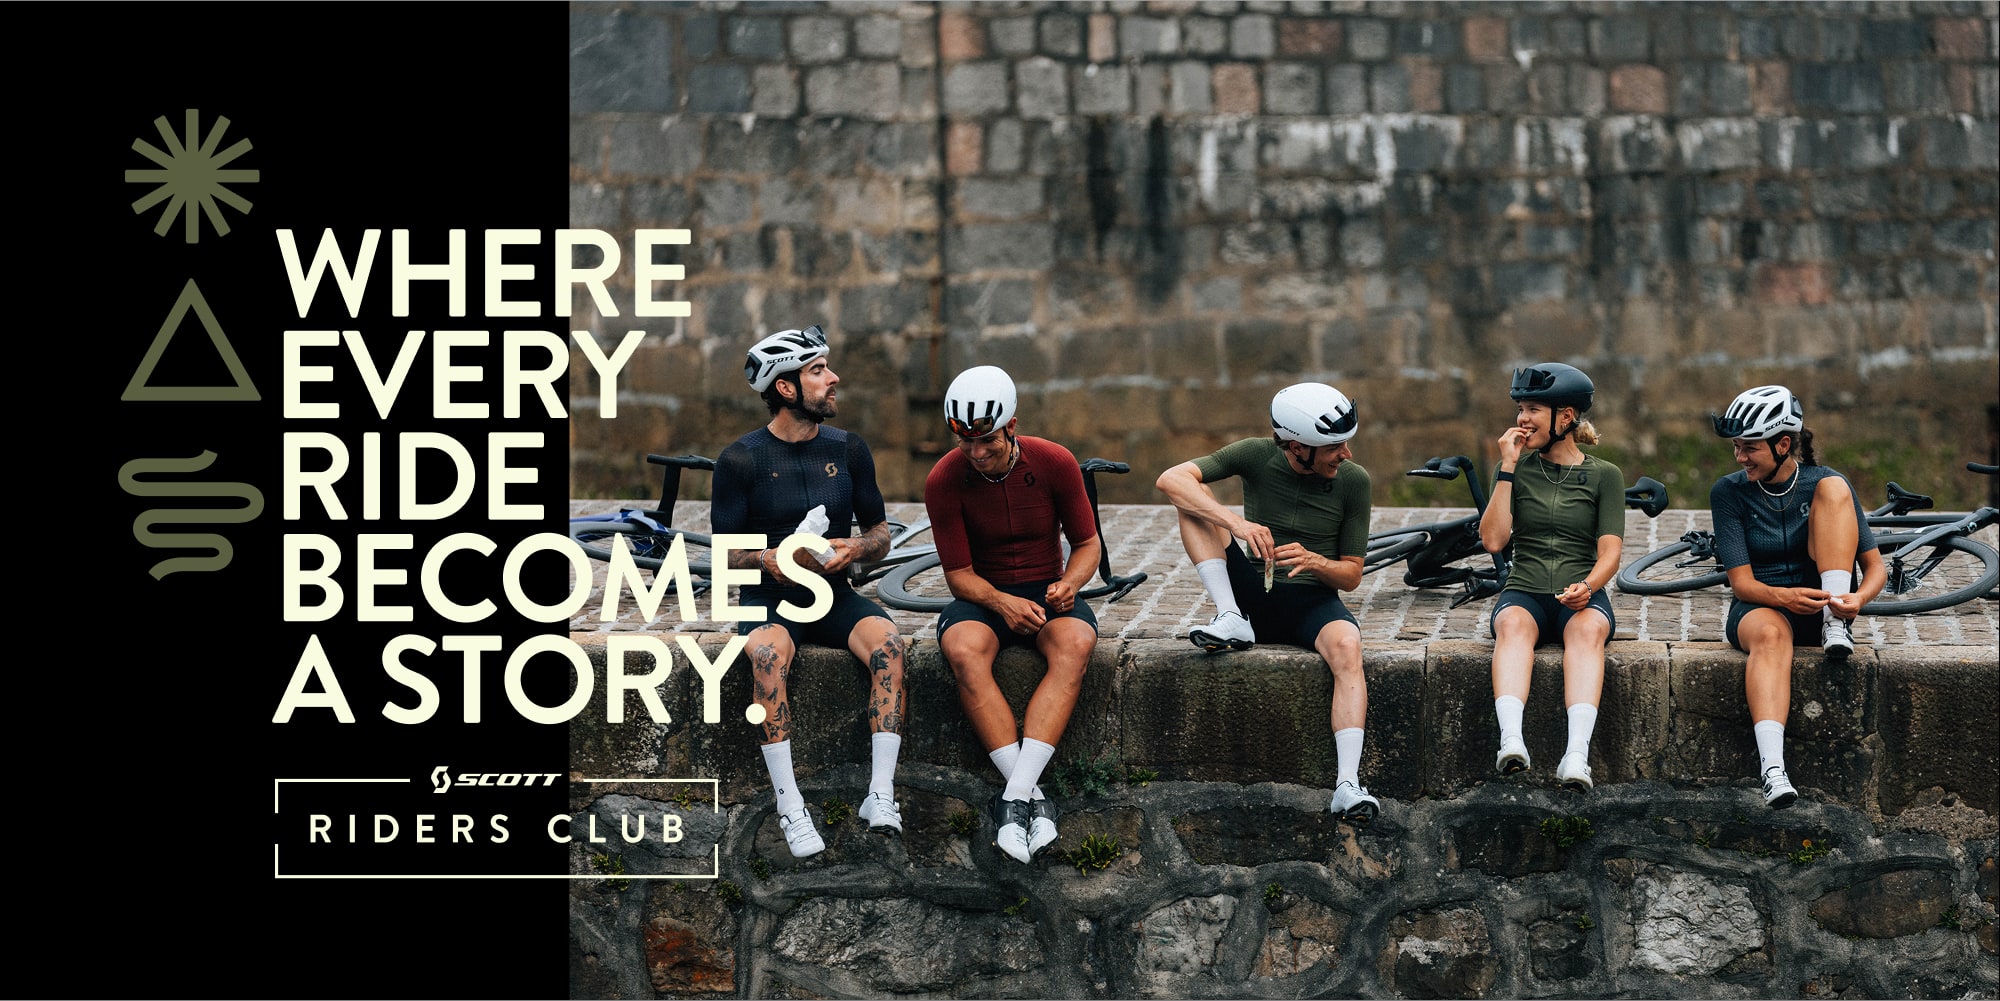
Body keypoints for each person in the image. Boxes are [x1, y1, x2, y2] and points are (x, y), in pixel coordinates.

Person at [710, 325, 907, 857]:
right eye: (818, 370)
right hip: (767, 597)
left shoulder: (849, 450)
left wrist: (857, 549)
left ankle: (881, 794)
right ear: (787, 389)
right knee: (769, 656)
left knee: (890, 644)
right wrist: (766, 559)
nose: (833, 377)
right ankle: (791, 806)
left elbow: (882, 533)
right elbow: (723, 555)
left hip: (833, 592)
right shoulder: (740, 460)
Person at [1155, 383, 1381, 824]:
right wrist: (1236, 523)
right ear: (1297, 447)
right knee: (1192, 505)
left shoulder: (1355, 482)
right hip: (1250, 592)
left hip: (1311, 603)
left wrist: (1316, 561)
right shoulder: (1257, 455)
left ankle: (1347, 786)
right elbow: (1171, 479)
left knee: (1349, 646)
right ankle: (1230, 617)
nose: (1346, 454)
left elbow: (1352, 575)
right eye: (1334, 446)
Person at [924, 366, 1102, 864]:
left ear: (1012, 426)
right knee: (961, 650)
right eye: (966, 444)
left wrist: (1069, 584)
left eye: (988, 442)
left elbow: (1087, 544)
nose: (978, 454)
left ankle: (1013, 799)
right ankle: (1031, 798)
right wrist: (1000, 601)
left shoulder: (1054, 462)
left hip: (1048, 590)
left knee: (1076, 645)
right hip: (983, 594)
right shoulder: (944, 478)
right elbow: (958, 574)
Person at [1708, 385, 1884, 809]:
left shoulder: (1826, 486)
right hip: (1761, 606)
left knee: (1836, 487)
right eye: (1736, 447)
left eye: (1750, 448)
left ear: (1783, 444)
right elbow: (1742, 584)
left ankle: (1836, 626)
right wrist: (1783, 597)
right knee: (1771, 636)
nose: (1740, 457)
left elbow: (1875, 569)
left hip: (1825, 607)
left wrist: (1857, 600)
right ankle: (1773, 771)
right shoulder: (1728, 493)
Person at [1477, 363, 1624, 793]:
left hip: (1581, 591)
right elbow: (1493, 540)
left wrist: (1590, 587)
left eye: (1534, 408)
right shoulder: (1515, 470)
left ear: (1565, 417)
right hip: (1525, 587)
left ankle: (1576, 755)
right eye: (1521, 408)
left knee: (1589, 629)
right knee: (1511, 625)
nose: (1523, 418)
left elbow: (1610, 552)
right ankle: (1511, 741)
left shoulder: (1604, 476)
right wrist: (1506, 468)